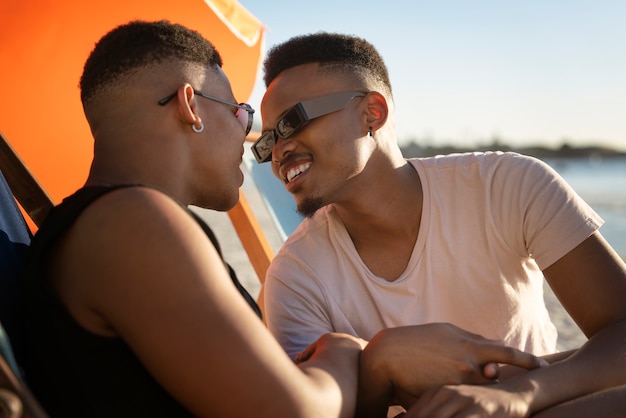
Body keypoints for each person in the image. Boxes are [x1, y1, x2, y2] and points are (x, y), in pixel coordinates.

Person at [17, 21, 545, 418]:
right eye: (242, 114)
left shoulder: (88, 228)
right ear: (190, 107)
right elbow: (293, 413)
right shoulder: (134, 223)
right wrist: (358, 352)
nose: (257, 147)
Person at [255, 32, 626, 416]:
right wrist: (381, 363)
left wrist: (519, 395)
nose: (278, 151)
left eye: (292, 122)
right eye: (265, 143)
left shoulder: (506, 186)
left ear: (372, 113)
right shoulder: (294, 277)